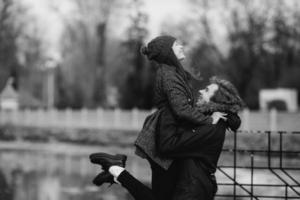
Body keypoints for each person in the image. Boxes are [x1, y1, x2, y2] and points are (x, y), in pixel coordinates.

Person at [90, 35, 243, 200]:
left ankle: (117, 172)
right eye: (176, 44)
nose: (200, 91)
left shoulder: (212, 122)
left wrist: (225, 117)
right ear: (167, 52)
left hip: (189, 178)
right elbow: (181, 110)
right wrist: (211, 118)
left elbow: (189, 113)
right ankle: (117, 171)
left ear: (217, 101)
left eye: (206, 91)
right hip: (169, 146)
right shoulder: (170, 76)